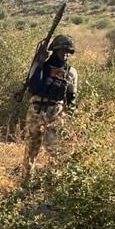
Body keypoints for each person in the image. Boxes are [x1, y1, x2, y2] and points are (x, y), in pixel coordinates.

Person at [21, 34, 78, 184]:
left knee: (54, 147)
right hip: (36, 110)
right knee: (31, 147)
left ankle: (57, 182)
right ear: (55, 50)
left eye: (68, 52)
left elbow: (72, 97)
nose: (65, 54)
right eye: (62, 51)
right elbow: (33, 86)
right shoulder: (41, 66)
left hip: (55, 112)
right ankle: (26, 182)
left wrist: (70, 115)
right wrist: (39, 64)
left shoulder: (71, 72)